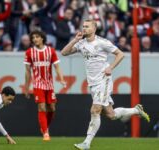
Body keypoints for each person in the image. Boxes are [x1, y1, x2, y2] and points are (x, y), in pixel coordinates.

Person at [61, 19, 150, 150]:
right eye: (83, 26)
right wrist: (75, 40)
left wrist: (111, 67)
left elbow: (120, 54)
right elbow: (64, 52)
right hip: (93, 83)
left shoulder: (102, 42)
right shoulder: (81, 43)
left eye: (87, 26)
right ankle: (136, 110)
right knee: (111, 114)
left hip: (104, 79)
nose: (84, 28)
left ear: (94, 28)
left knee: (95, 110)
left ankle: (86, 143)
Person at [24, 30, 66, 141]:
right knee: (42, 107)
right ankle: (46, 133)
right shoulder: (29, 52)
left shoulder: (51, 51)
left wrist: (61, 79)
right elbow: (28, 72)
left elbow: (57, 67)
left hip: (49, 85)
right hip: (37, 84)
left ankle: (45, 127)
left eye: (37, 37)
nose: (35, 39)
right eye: (33, 38)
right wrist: (26, 87)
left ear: (42, 38)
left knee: (51, 108)